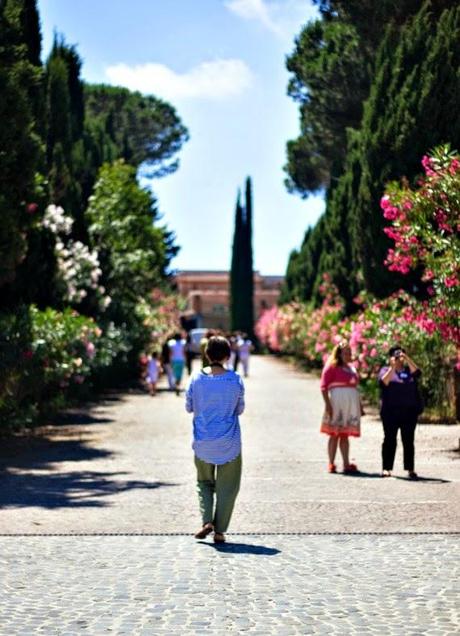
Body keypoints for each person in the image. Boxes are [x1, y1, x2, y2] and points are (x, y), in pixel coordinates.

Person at [185, 335, 245, 544]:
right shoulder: (235, 379)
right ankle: (219, 530)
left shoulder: (195, 378)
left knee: (204, 483)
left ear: (206, 354)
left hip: (203, 442)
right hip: (229, 443)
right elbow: (240, 409)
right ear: (228, 356)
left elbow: (189, 407)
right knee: (228, 487)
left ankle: (206, 521)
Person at [379, 346, 422, 479]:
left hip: (409, 412)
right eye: (395, 356)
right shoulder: (385, 370)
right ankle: (386, 468)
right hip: (390, 412)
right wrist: (392, 367)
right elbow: (383, 382)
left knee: (408, 441)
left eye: (400, 355)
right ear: (390, 358)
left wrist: (407, 358)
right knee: (389, 440)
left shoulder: (409, 370)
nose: (398, 358)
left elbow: (418, 373)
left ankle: (410, 468)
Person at [320, 341, 363, 474]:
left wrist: (360, 406)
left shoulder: (352, 368)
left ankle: (346, 464)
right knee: (334, 434)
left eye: (349, 352)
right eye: (345, 353)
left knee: (344, 435)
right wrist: (328, 404)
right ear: (339, 354)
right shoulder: (331, 367)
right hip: (336, 404)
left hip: (350, 406)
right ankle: (331, 463)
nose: (348, 355)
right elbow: (323, 387)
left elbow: (355, 387)